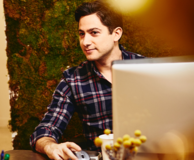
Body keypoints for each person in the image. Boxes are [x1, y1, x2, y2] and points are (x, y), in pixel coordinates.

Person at [30, 0, 145, 159]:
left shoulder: (146, 69)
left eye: (94, 32)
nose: (85, 42)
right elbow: (45, 129)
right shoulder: (73, 79)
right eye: (81, 33)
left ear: (116, 34)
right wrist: (50, 146)